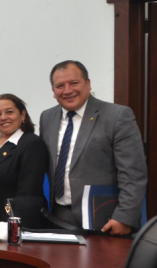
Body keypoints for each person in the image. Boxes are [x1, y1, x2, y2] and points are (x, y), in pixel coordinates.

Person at [39, 60, 147, 235]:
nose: (67, 91)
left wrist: (124, 217)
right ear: (53, 92)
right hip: (57, 219)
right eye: (60, 86)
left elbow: (133, 174)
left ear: (88, 84)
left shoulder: (117, 116)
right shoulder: (47, 117)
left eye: (74, 83)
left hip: (105, 220)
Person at [0, 94, 48, 223]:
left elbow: (28, 192)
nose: (3, 117)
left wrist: (12, 226)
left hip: (11, 222)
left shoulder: (31, 143)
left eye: (9, 112)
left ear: (22, 114)